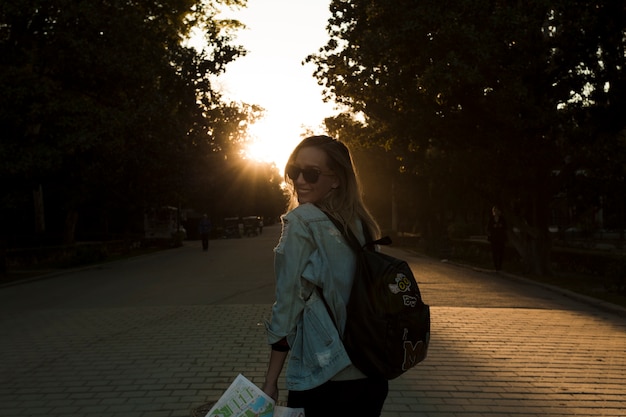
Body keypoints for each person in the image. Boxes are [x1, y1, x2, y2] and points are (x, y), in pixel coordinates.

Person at [262, 135, 388, 416]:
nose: (300, 180)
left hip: (325, 376)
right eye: (295, 170)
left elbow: (287, 308)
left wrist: (271, 381)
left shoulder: (302, 223)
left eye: (312, 173)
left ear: (336, 179)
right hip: (371, 374)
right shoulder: (363, 225)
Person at [487, 205, 507, 271]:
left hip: (501, 238)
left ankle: (500, 266)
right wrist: (493, 226)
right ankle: (496, 267)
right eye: (494, 211)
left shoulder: (502, 219)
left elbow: (505, 227)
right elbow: (488, 228)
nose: (496, 212)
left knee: (501, 252)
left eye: (497, 210)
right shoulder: (491, 219)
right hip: (494, 238)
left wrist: (500, 226)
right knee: (494, 252)